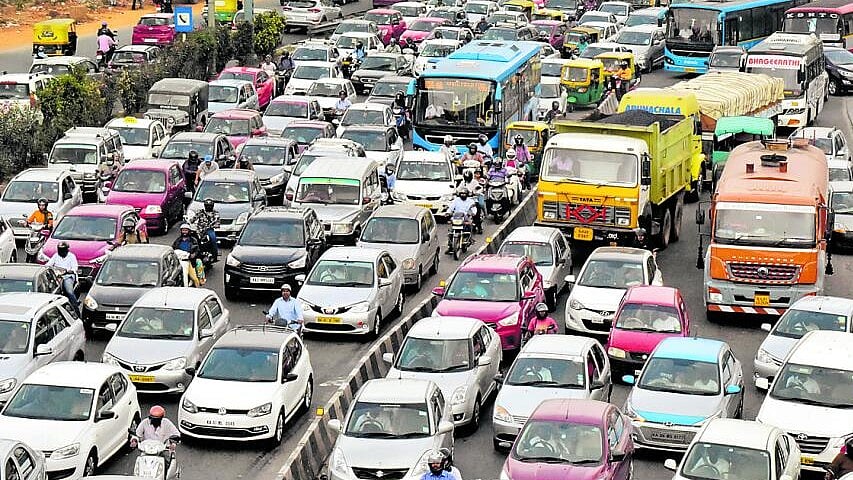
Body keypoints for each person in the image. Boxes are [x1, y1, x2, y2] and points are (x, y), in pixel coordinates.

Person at [132, 406, 180, 471]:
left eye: (157, 419)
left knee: (167, 464)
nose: (154, 421)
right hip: (147, 450)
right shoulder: (144, 423)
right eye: (152, 419)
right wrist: (134, 441)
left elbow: (176, 434)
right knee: (139, 465)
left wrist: (173, 443)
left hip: (162, 450)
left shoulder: (167, 423)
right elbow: (137, 435)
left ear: (161, 418)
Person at [45, 241, 79, 315]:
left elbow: (75, 267)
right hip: (57, 276)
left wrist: (69, 271)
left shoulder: (71, 256)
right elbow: (48, 264)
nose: (61, 252)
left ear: (67, 250)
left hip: (68, 276)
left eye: (63, 250)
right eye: (60, 250)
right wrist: (46, 268)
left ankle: (76, 310)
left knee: (69, 292)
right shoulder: (56, 256)